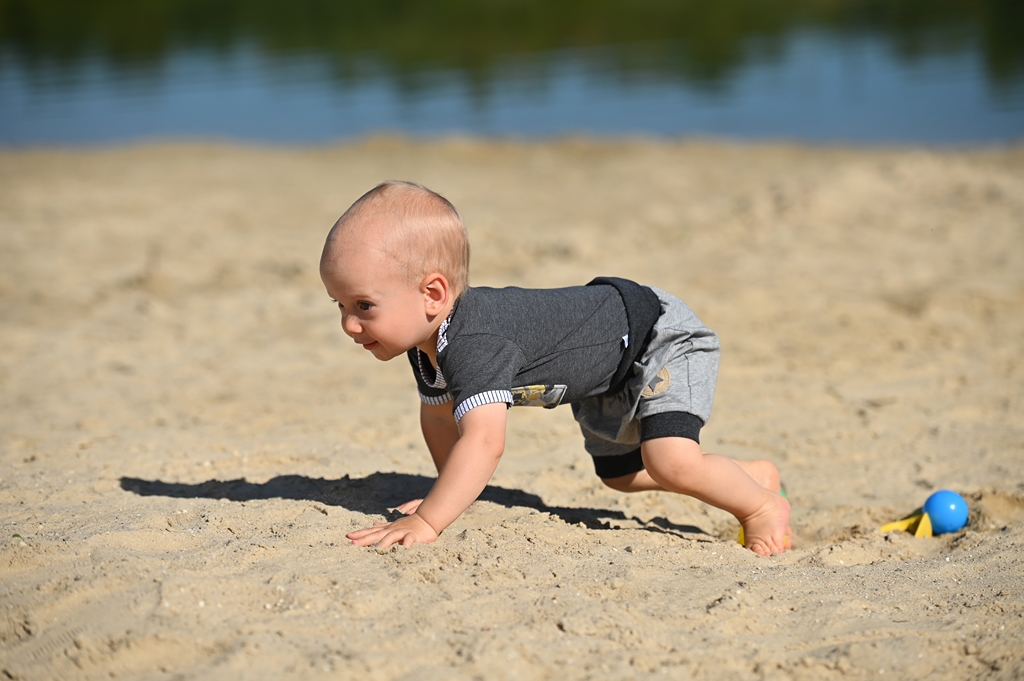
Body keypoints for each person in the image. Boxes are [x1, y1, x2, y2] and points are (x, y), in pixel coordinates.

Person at [319, 180, 791, 556]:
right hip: (601, 371)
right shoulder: (426, 344)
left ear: (434, 294)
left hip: (654, 337)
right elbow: (441, 418)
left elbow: (484, 442)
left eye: (364, 305)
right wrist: (449, 494)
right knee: (622, 477)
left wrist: (428, 520)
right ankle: (750, 475)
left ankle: (762, 507)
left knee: (670, 462)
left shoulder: (475, 342)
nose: (348, 324)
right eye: (339, 304)